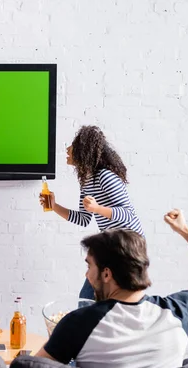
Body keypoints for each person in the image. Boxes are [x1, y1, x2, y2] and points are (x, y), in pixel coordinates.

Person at [34, 209, 188, 368]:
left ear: (106, 274)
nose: (87, 274)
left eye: (89, 266)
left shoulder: (78, 323)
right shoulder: (179, 311)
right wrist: (185, 231)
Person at [40, 125, 143, 300]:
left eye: (73, 145)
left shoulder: (106, 176)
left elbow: (128, 214)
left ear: (83, 150)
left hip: (128, 248)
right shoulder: (87, 181)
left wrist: (97, 209)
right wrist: (54, 205)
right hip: (111, 247)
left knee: (91, 298)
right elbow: (83, 219)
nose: (67, 149)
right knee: (88, 297)